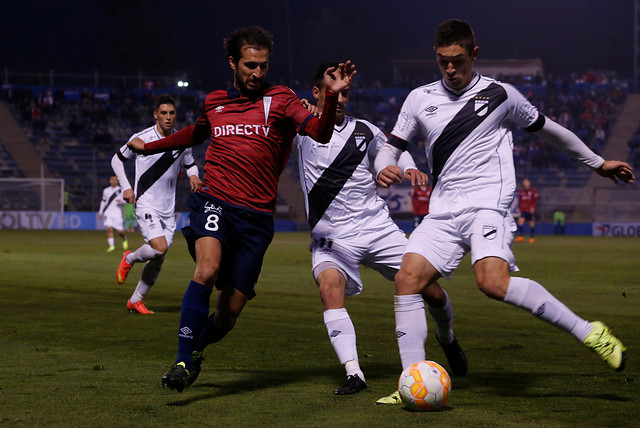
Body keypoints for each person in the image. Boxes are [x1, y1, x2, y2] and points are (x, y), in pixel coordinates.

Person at [374, 20, 633, 399]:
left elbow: (550, 129)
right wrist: (384, 166)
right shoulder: (419, 98)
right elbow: (391, 145)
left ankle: (590, 332)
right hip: (443, 211)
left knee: (491, 283)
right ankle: (411, 383)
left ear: (473, 54)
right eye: (443, 61)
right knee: (407, 280)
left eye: (458, 61)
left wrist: (596, 162)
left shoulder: (501, 95)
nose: (450, 69)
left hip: (486, 207)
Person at [126, 26, 357, 392]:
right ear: (233, 62)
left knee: (229, 313)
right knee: (207, 268)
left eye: (263, 66)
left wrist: (330, 96)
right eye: (250, 65)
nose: (257, 73)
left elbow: (321, 132)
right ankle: (182, 360)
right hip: (215, 200)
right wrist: (151, 147)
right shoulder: (215, 101)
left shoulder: (282, 98)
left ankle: (197, 348)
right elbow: (195, 134)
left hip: (257, 218)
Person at [294, 63, 467, 396]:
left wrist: (404, 168)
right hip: (332, 239)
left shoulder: (365, 130)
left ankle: (447, 338)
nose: (341, 99)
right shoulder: (301, 132)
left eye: (345, 92)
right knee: (329, 289)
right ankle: (354, 373)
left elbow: (391, 153)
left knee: (429, 289)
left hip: (376, 229)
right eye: (333, 92)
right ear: (316, 93)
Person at [111, 94, 201, 315]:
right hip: (146, 203)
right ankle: (129, 257)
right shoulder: (141, 138)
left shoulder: (182, 140)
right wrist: (126, 186)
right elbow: (116, 160)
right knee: (160, 247)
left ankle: (136, 299)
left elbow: (190, 164)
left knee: (159, 255)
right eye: (163, 113)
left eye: (171, 113)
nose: (168, 117)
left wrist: (194, 176)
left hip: (168, 209)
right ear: (155, 115)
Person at [98, 175, 128, 252]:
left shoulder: (121, 190)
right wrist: (100, 212)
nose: (113, 181)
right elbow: (103, 201)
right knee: (109, 229)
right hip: (108, 212)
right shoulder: (106, 190)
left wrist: (121, 201)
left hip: (117, 213)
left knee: (119, 231)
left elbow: (125, 201)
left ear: (118, 181)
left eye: (115, 180)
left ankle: (124, 238)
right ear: (110, 181)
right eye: (112, 179)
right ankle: (111, 246)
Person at [515, 178, 538, 243]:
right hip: (523, 210)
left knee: (531, 223)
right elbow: (520, 201)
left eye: (526, 182)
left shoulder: (533, 191)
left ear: (529, 183)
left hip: (529, 210)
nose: (525, 183)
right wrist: (519, 208)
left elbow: (535, 200)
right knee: (520, 222)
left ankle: (531, 238)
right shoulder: (521, 192)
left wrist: (533, 207)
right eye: (524, 182)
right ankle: (520, 237)